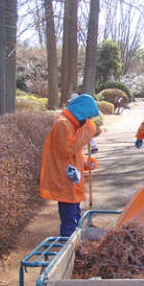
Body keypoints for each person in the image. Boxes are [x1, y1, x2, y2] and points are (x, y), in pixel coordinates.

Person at [40, 94, 99, 237]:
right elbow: (67, 150)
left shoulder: (71, 124)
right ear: (82, 112)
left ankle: (75, 247)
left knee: (76, 216)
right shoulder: (64, 123)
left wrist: (85, 161)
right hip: (65, 181)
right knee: (69, 221)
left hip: (71, 180)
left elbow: (73, 152)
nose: (89, 121)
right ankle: (67, 253)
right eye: (89, 117)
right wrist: (89, 130)